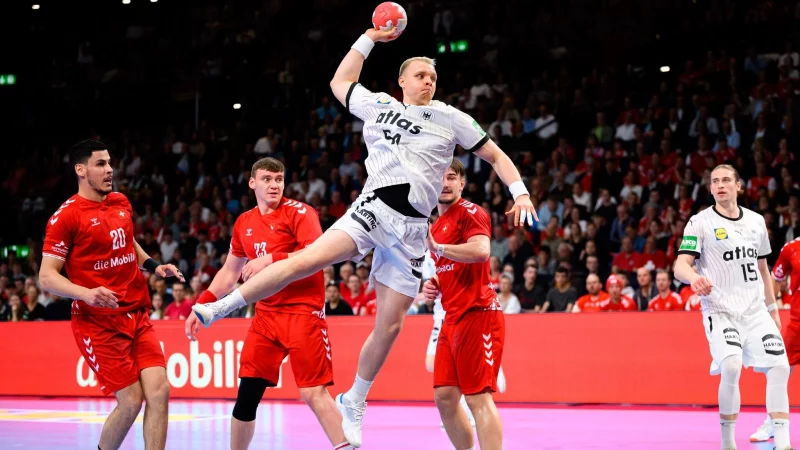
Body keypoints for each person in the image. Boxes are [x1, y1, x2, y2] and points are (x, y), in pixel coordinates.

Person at [191, 26, 537, 447]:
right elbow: (340, 82)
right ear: (403, 81)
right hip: (372, 210)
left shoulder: (452, 119)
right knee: (306, 260)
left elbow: (496, 155)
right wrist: (370, 37)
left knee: (390, 325)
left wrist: (519, 192)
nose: (429, 80)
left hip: (411, 231)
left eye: (433, 76)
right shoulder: (379, 105)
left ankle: (355, 398)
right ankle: (224, 307)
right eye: (421, 74)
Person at [184, 157, 353, 450]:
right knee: (247, 394)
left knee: (313, 393)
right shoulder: (244, 222)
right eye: (266, 179)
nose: (273, 185)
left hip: (303, 312)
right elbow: (229, 272)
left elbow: (315, 255)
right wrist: (202, 305)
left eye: (278, 180)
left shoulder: (301, 213)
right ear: (252, 183)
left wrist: (269, 259)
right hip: (265, 316)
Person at [38, 139, 180, 450]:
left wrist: (153, 265)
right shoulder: (66, 218)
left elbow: (128, 242)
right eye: (100, 164)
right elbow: (46, 276)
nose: (109, 169)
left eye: (110, 162)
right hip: (98, 323)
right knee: (131, 402)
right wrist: (85, 293)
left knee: (160, 391)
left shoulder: (120, 202)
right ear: (81, 170)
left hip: (137, 312)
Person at [673, 164, 792, 450]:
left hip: (755, 311)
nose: (720, 185)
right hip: (720, 309)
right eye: (715, 181)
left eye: (726, 180)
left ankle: (784, 442)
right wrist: (694, 278)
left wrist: (772, 308)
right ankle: (728, 443)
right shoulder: (699, 223)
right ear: (711, 188)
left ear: (738, 186)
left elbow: (763, 269)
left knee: (780, 366)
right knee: (731, 365)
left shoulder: (755, 221)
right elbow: (680, 265)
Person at [422, 159, 505, 450]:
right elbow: (448, 268)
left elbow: (481, 252)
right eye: (439, 177)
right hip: (451, 317)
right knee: (444, 397)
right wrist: (435, 285)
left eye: (451, 177)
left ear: (462, 183)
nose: (444, 183)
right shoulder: (437, 224)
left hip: (478, 312)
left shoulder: (471, 212)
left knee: (477, 396)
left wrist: (439, 248)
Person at [750, 235, 800, 442]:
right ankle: (772, 423)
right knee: (778, 370)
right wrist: (768, 310)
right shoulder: (791, 248)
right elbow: (775, 280)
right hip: (798, 324)